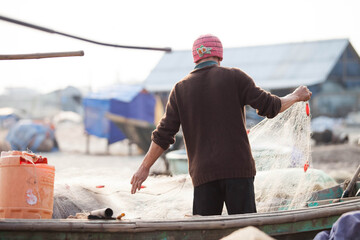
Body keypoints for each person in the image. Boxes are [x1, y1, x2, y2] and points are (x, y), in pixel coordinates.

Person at [131, 34, 312, 216]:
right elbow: (271, 106)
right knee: (245, 230)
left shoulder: (180, 89)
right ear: (219, 55)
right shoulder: (235, 77)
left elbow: (163, 135)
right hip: (238, 170)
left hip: (203, 175)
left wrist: (144, 168)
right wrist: (296, 95)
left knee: (206, 232)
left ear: (196, 57)